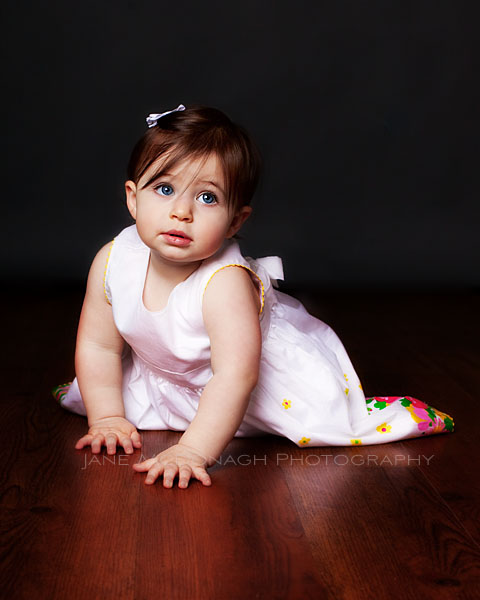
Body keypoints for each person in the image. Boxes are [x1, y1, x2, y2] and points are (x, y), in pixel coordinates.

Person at [52, 104, 454, 489]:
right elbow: (99, 346)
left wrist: (192, 450)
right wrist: (105, 417)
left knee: (320, 421)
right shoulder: (113, 260)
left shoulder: (224, 283)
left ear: (235, 221)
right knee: (99, 394)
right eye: (164, 188)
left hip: (240, 387)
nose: (181, 212)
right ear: (133, 198)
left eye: (207, 198)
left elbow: (234, 377)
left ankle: (391, 413)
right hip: (167, 375)